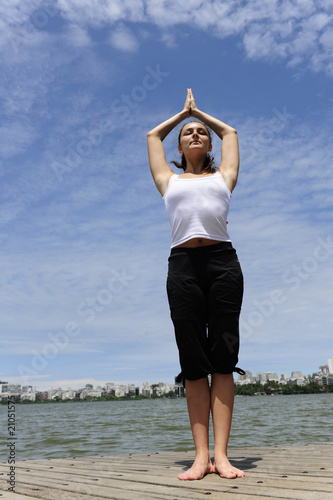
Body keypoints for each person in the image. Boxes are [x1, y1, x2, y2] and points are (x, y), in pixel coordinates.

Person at [147, 89, 245, 481]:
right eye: (188, 132)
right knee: (193, 364)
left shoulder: (225, 176)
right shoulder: (167, 180)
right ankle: (200, 457)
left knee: (223, 357)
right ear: (180, 144)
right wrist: (181, 114)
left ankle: (221, 456)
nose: (195, 134)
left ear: (209, 144)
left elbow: (232, 131)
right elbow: (152, 137)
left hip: (223, 264)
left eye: (201, 133)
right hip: (183, 265)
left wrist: (201, 113)